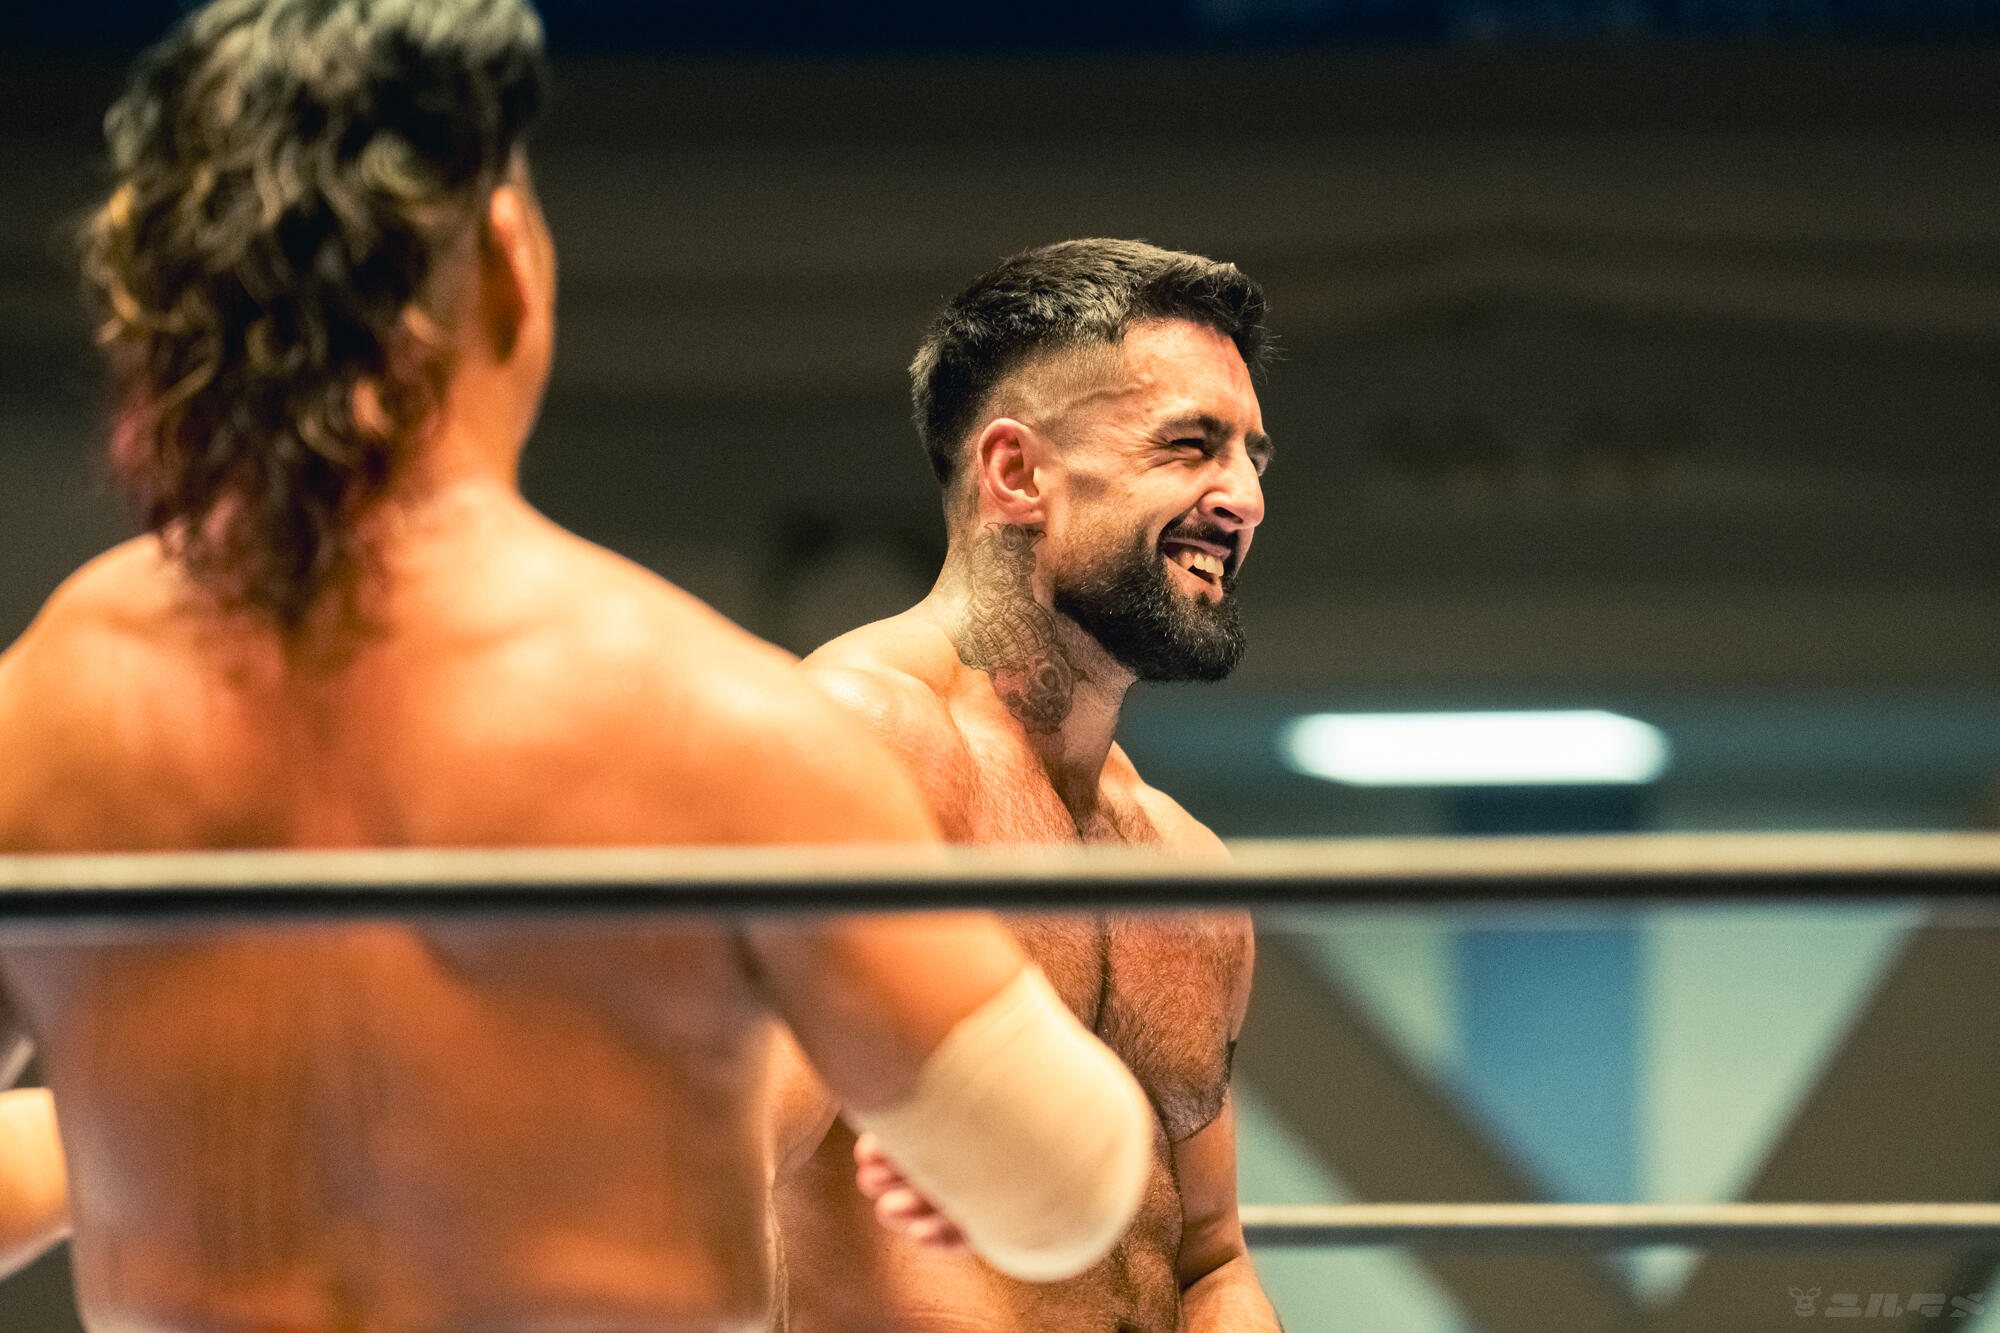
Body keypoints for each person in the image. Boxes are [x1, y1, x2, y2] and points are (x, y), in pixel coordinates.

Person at [0, 6, 1150, 1330]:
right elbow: (1066, 1181)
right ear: (507, 260)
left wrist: (132, 1125)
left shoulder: (46, 708)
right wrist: (955, 1139)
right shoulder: (710, 721)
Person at [773, 239, 1283, 1333]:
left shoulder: (1184, 869)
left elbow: (1208, 1258)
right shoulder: (863, 746)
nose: (1243, 499)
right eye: (1190, 445)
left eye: (1253, 459)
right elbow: (715, 1174)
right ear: (1015, 474)